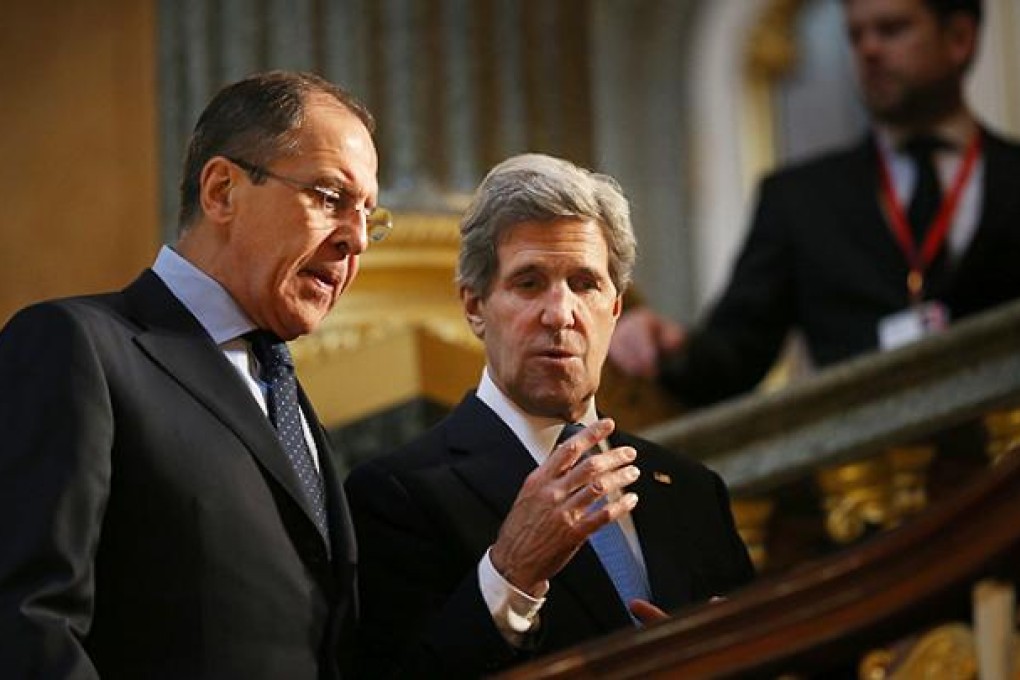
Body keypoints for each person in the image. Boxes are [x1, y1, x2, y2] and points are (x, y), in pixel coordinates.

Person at [0, 70, 388, 678]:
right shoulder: (79, 348)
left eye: (369, 215)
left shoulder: (287, 397)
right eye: (330, 197)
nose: (356, 241)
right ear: (221, 191)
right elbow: (27, 622)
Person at [344, 153, 754, 678]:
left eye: (585, 283)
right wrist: (508, 575)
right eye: (529, 283)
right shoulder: (398, 493)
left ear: (615, 308)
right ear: (474, 307)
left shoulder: (694, 491)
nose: (560, 315)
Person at [610, 0, 1020, 407]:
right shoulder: (800, 199)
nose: (869, 50)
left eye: (892, 29)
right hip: (869, 463)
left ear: (959, 38)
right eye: (856, 35)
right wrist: (665, 347)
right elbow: (733, 353)